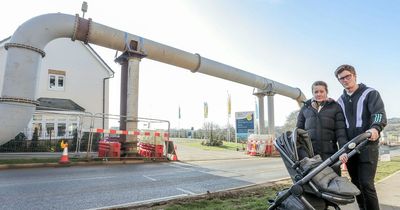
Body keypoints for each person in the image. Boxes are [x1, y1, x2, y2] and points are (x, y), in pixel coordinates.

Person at [335, 64, 387, 210]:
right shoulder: (339, 101)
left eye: (347, 76)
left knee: (366, 184)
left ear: (354, 75)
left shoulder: (370, 93)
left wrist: (375, 128)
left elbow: (378, 114)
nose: (345, 80)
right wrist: (343, 148)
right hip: (350, 149)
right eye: (341, 78)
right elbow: (340, 127)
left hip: (367, 146)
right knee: (356, 183)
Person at [296, 80, 348, 174]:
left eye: (321, 91)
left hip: (331, 154)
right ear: (312, 93)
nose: (319, 94)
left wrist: (343, 151)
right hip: (311, 155)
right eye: (316, 92)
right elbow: (298, 132)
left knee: (333, 181)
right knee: (313, 184)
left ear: (326, 92)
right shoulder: (305, 108)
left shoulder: (335, 107)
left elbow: (341, 132)